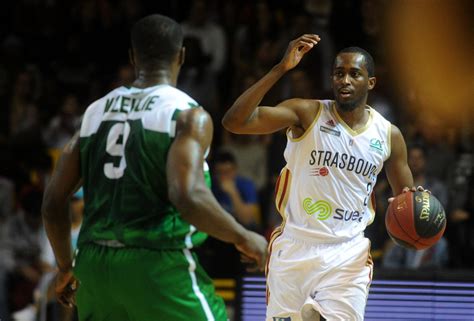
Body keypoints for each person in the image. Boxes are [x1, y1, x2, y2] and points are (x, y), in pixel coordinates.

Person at [42, 14, 267, 321]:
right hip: (156, 263)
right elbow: (186, 195)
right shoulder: (187, 114)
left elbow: (53, 201)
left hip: (94, 266)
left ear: (133, 57)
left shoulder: (95, 113)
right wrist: (243, 236)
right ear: (182, 55)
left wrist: (66, 266)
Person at [222, 34, 424, 321]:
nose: (345, 80)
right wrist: (280, 69)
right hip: (294, 246)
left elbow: (407, 199)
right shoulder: (307, 112)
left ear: (371, 83)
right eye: (339, 73)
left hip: (347, 253)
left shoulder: (388, 135)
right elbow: (235, 122)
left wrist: (415, 205)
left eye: (355, 74)